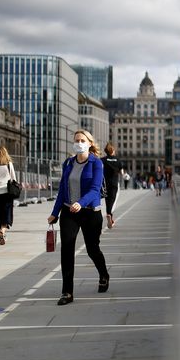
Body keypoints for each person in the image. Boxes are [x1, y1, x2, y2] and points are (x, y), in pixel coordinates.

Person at [47, 129, 109, 306]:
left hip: (90, 211)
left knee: (92, 249)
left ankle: (103, 274)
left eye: (82, 140)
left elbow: (95, 189)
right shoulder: (68, 163)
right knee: (66, 249)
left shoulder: (96, 163)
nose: (79, 143)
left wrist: (81, 203)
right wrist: (54, 212)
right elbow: (62, 191)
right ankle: (67, 292)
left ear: (90, 143)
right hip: (69, 212)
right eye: (76, 140)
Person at [0, 145, 17, 245]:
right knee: (7, 213)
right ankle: (3, 231)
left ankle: (1, 231)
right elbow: (13, 178)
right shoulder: (9, 164)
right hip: (6, 191)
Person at [101, 143, 124, 229]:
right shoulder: (117, 160)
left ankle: (109, 215)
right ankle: (109, 214)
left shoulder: (103, 160)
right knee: (113, 200)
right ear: (113, 151)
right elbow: (122, 173)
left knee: (108, 201)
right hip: (114, 183)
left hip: (105, 184)